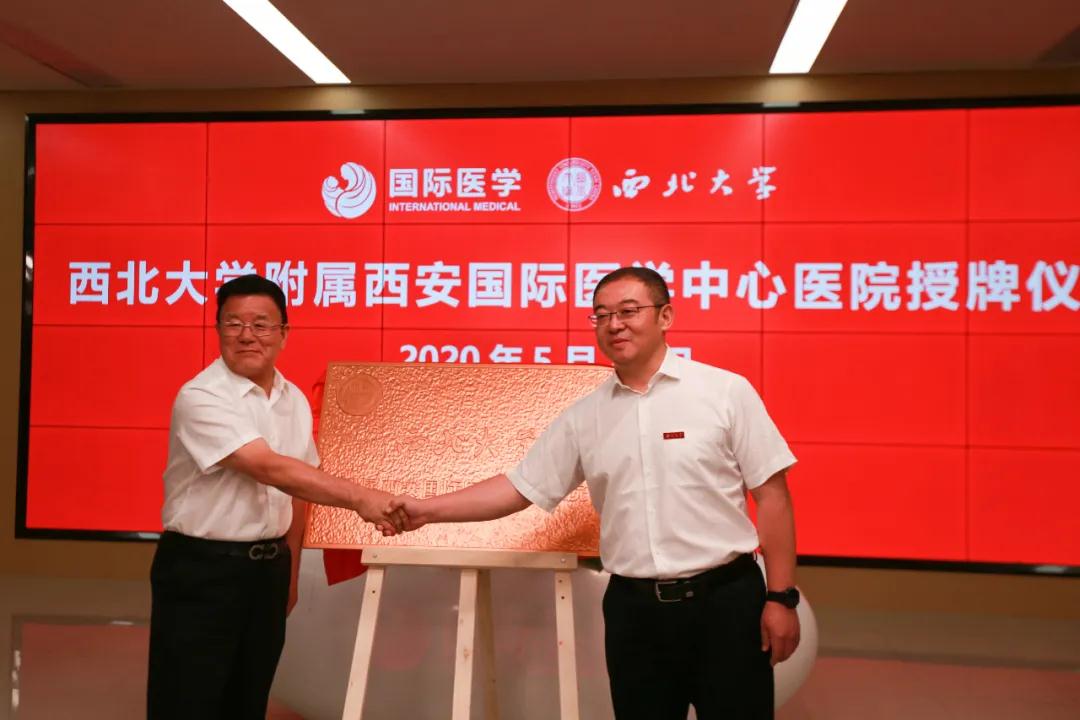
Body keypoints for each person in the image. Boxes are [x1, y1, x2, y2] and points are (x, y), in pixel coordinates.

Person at [389, 266, 799, 719]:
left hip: (725, 602)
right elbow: (518, 488)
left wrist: (781, 597)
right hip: (634, 612)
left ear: (665, 316)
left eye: (628, 311)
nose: (614, 325)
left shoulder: (724, 392)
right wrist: (426, 511)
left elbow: (773, 496)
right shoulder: (585, 416)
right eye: (601, 315)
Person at [147, 274, 403, 720]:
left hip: (267, 570)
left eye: (262, 324)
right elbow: (271, 468)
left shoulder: (293, 399)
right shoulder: (201, 396)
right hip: (202, 570)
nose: (247, 335)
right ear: (218, 330)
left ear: (283, 333)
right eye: (234, 323)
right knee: (188, 701)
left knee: (248, 699)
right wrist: (362, 499)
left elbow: (298, 492)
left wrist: (290, 573)